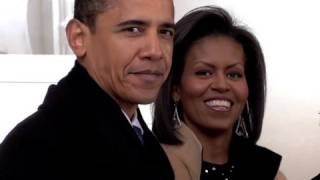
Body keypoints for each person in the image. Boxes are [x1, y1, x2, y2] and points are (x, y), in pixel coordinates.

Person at [0, 0, 176, 179]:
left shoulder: (141, 141)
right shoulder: (36, 151)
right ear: (78, 38)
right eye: (133, 29)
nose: (155, 51)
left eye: (165, 32)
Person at [153, 6, 286, 180]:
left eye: (234, 74)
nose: (222, 85)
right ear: (175, 89)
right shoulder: (149, 162)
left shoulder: (269, 172)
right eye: (204, 72)